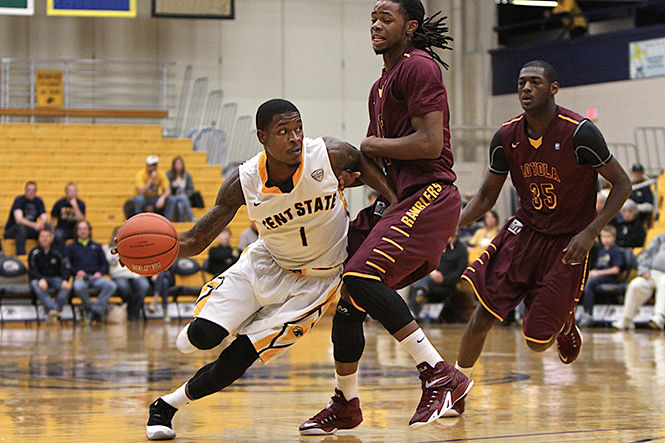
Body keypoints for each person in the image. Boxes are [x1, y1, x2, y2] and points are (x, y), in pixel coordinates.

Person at [143, 98, 397, 440]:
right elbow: (196, 239)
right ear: (263, 137)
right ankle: (204, 332)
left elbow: (363, 163)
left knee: (239, 358)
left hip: (316, 282)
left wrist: (391, 199)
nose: (294, 138)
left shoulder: (329, 154)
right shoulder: (244, 181)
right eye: (283, 132)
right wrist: (146, 253)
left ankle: (166, 406)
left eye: (298, 129)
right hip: (267, 263)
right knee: (204, 337)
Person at [301, 1, 473, 434]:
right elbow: (385, 162)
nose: (376, 25)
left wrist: (374, 146)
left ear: (410, 27)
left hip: (430, 192)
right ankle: (346, 403)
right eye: (372, 19)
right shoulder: (381, 84)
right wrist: (356, 174)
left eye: (386, 19)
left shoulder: (420, 68)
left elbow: (431, 144)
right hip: (403, 199)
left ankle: (439, 373)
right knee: (348, 302)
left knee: (362, 279)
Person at [453, 60, 631, 407]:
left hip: (569, 242)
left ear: (553, 89)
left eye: (535, 82)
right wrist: (452, 225)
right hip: (525, 231)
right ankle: (456, 386)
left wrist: (591, 232)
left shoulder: (580, 132)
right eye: (521, 82)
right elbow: (487, 196)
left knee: (536, 341)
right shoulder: (506, 136)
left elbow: (622, 183)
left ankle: (564, 325)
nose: (525, 88)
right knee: (482, 313)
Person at [409, 232, 468, 323]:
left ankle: (418, 299)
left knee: (418, 283)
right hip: (432, 276)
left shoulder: (462, 250)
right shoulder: (439, 247)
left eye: (451, 236)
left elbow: (460, 271)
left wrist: (444, 279)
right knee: (419, 277)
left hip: (448, 282)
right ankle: (420, 293)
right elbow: (429, 261)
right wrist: (432, 272)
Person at [65, 220, 117, 323]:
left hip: (95, 277)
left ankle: (93, 309)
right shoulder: (71, 248)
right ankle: (94, 309)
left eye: (85, 229)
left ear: (89, 231)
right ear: (76, 232)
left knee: (111, 285)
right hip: (80, 277)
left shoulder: (97, 247)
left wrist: (100, 273)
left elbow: (104, 265)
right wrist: (76, 272)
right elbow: (67, 266)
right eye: (80, 229)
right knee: (78, 287)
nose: (83, 231)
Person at [612, 232, 665, 331]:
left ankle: (659, 317)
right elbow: (646, 255)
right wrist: (644, 270)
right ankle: (627, 319)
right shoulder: (660, 238)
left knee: (664, 283)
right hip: (652, 273)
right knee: (635, 285)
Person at [577, 225, 623, 327]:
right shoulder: (601, 251)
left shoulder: (615, 250)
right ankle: (577, 312)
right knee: (581, 281)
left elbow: (616, 270)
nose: (605, 239)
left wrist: (597, 273)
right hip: (599, 276)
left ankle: (588, 313)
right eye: (603, 236)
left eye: (608, 236)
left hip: (611, 278)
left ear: (614, 237)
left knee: (590, 284)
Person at [104, 226, 150, 322]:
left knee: (144, 286)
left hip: (135, 274)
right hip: (118, 275)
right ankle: (130, 310)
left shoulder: (134, 247)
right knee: (124, 287)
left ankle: (134, 313)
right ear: (114, 236)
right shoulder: (107, 248)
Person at [28, 229, 71, 323]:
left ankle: (52, 312)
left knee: (67, 287)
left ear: (51, 238)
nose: (44, 239)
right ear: (39, 238)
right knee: (35, 283)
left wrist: (65, 280)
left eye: (47, 236)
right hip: (40, 279)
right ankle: (54, 309)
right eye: (42, 236)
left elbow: (65, 268)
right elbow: (32, 270)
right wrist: (40, 279)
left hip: (55, 278)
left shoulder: (58, 252)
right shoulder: (34, 253)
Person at [4, 181, 47, 255]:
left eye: (33, 190)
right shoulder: (19, 200)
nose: (31, 192)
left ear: (36, 191)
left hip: (29, 229)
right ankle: (21, 255)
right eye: (29, 190)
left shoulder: (38, 201)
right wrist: (34, 225)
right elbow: (19, 220)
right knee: (21, 228)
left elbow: (44, 216)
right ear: (25, 191)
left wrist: (41, 223)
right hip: (12, 229)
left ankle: (44, 254)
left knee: (47, 228)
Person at [132, 155, 175, 220]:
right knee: (138, 199)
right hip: (144, 198)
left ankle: (167, 221)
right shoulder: (140, 174)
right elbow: (141, 192)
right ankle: (138, 220)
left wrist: (163, 198)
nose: (153, 167)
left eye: (154, 165)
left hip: (154, 198)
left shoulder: (161, 174)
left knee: (171, 199)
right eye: (151, 165)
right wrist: (151, 179)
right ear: (147, 165)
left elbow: (168, 190)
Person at [50, 182, 86, 251]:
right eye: (70, 191)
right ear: (66, 193)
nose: (72, 193)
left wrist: (75, 206)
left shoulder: (81, 204)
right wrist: (51, 233)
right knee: (58, 235)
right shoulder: (59, 203)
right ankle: (61, 255)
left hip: (76, 229)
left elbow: (81, 220)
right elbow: (53, 219)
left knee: (84, 233)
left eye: (74, 191)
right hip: (62, 228)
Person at [166, 156, 196, 222]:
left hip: (182, 196)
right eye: (176, 164)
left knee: (180, 205)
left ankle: (180, 222)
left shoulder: (187, 176)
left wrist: (185, 193)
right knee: (182, 198)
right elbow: (165, 187)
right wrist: (172, 186)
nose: (178, 165)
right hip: (172, 196)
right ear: (173, 165)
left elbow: (191, 188)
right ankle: (191, 218)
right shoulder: (169, 174)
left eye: (179, 164)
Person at [628, 163, 655, 227]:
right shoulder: (629, 185)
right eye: (635, 172)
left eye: (639, 172)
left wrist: (635, 208)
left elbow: (649, 204)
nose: (637, 174)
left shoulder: (647, 185)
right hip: (630, 213)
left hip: (642, 215)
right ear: (631, 173)